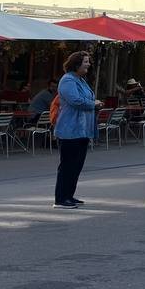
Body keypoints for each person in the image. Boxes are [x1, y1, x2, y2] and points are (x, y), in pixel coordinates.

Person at [53, 52, 101, 208]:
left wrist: (94, 103)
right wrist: (93, 104)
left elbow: (85, 99)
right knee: (67, 165)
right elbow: (75, 100)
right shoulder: (67, 80)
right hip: (70, 130)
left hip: (82, 130)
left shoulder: (81, 80)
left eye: (88, 61)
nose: (88, 64)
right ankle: (61, 199)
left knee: (77, 165)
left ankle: (69, 195)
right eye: (85, 62)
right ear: (76, 63)